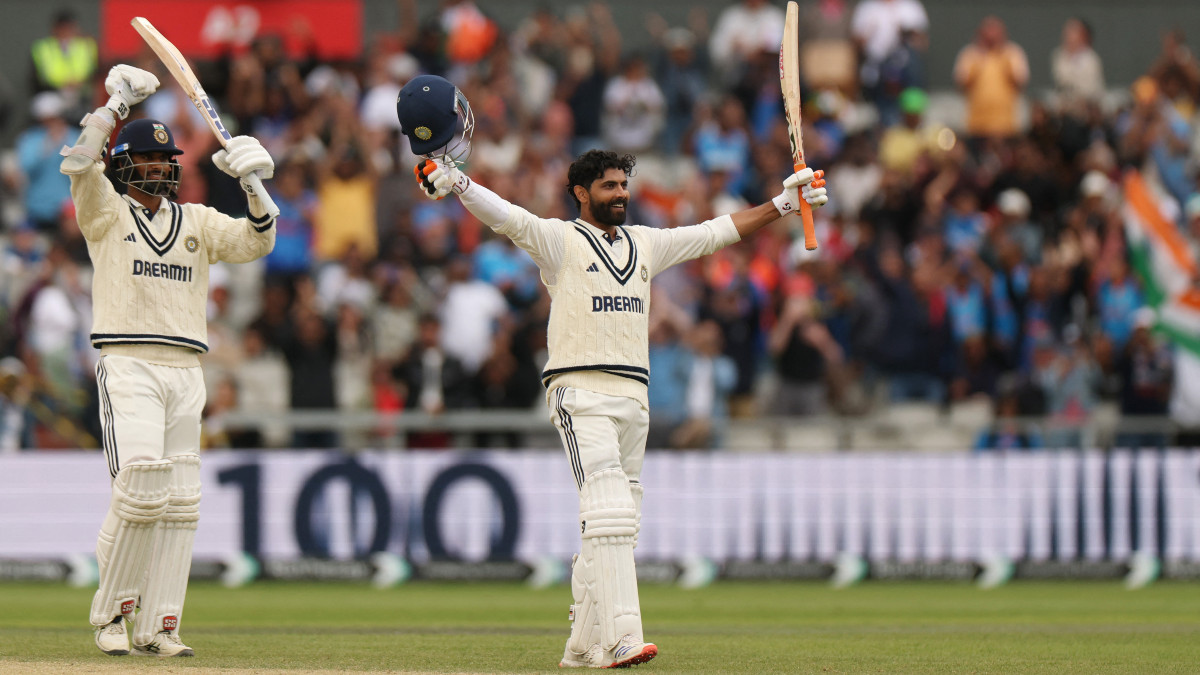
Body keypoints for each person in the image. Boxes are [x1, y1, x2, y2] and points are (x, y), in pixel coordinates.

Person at [398, 74, 827, 669]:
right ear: (581, 192)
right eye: (608, 185)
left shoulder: (645, 244)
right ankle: (622, 638)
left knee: (617, 526)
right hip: (580, 392)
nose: (620, 193)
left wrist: (784, 203)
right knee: (608, 512)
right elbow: (508, 217)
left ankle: (580, 644)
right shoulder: (559, 242)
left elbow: (712, 234)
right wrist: (459, 181)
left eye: (624, 183)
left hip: (634, 397)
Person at [59, 64, 276, 657]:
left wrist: (254, 182)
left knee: (180, 500)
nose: (159, 168)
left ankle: (161, 625)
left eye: (165, 161)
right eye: (149, 161)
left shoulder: (198, 221)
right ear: (126, 165)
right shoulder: (105, 210)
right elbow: (79, 161)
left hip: (187, 370)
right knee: (141, 486)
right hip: (128, 361)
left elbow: (259, 240)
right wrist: (113, 107)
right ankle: (109, 617)